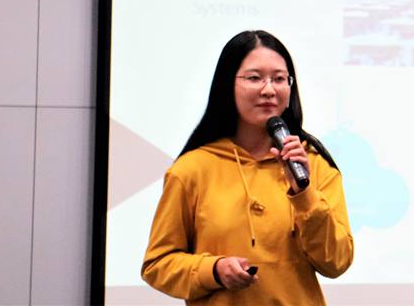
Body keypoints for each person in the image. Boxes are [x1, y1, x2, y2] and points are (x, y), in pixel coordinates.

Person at [142, 30, 354, 305]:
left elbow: (336, 262)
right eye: (254, 78)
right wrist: (213, 271)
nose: (269, 90)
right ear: (226, 85)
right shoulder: (192, 169)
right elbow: (157, 265)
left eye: (279, 79)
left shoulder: (313, 165)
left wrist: (305, 195)